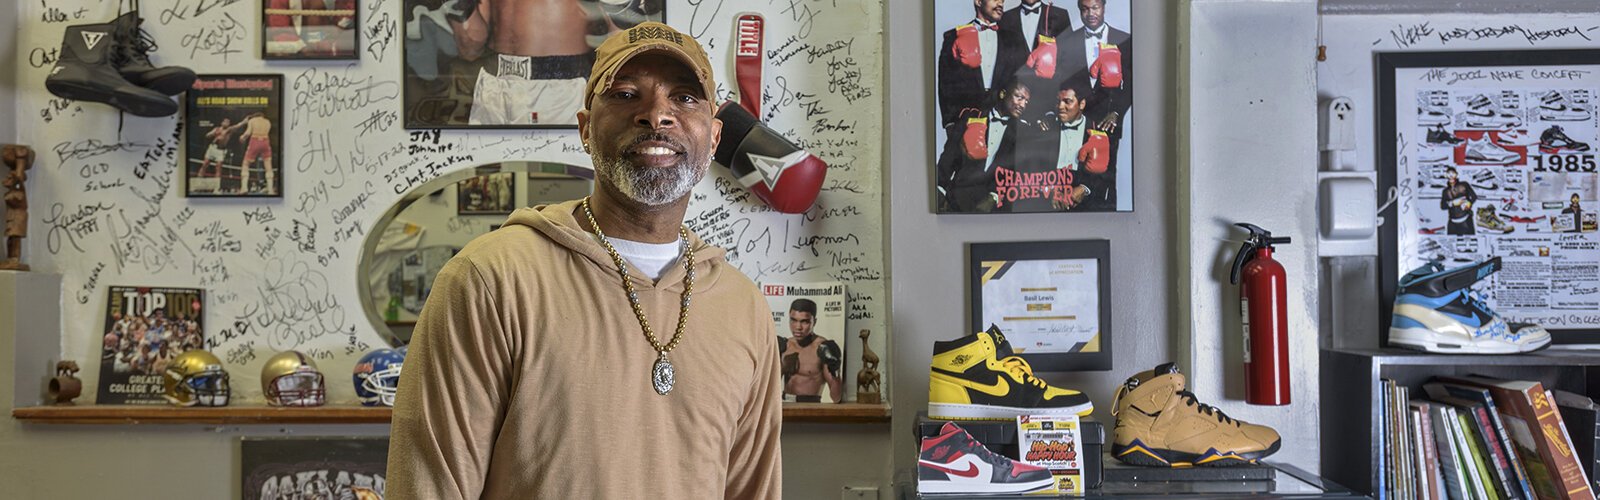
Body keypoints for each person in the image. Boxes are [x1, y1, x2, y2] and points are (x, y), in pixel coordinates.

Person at [387, 22, 782, 499]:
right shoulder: (492, 280)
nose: (656, 115)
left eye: (684, 98)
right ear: (584, 129)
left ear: (714, 137)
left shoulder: (742, 307)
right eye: (624, 94)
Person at [450, 0, 655, 125]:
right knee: (486, 172)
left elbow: (623, 41)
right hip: (493, 83)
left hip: (561, 88)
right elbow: (470, 47)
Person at [936, 79, 1031, 212]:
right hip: (957, 200)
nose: (1023, 105)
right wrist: (939, 189)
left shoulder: (1021, 132)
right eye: (1019, 97)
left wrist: (994, 197)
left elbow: (1015, 173)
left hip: (994, 208)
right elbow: (949, 156)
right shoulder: (972, 117)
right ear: (1003, 94)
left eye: (1027, 101)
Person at [777, 298, 842, 403]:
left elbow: (836, 397)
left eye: (805, 322)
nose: (798, 327)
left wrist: (835, 370)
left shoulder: (822, 348)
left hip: (810, 407)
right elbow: (769, 389)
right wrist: (782, 366)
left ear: (814, 322)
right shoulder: (785, 346)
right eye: (793, 320)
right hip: (784, 405)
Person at [238, 113, 275, 195]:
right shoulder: (267, 121)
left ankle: (244, 188)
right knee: (268, 166)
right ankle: (271, 190)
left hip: (255, 140)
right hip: (265, 141)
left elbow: (248, 133)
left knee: (246, 164)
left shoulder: (252, 120)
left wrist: (242, 137)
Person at [1441, 166, 1476, 235]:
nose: (1451, 176)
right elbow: (1442, 206)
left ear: (1456, 175)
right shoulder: (1445, 191)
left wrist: (1469, 203)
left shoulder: (1464, 185)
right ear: (1446, 175)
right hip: (1452, 223)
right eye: (1448, 174)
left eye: (1453, 173)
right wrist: (1452, 203)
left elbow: (1474, 196)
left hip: (1466, 221)